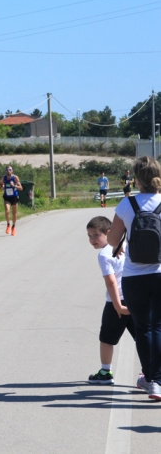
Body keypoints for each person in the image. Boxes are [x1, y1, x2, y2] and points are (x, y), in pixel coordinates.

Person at [108, 156, 161, 400]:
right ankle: (159, 378)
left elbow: (110, 240)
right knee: (159, 326)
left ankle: (150, 380)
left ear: (136, 179)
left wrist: (124, 239)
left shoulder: (126, 204)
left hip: (134, 275)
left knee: (144, 328)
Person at [86, 216, 135, 385]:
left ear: (108, 233)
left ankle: (105, 371)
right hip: (135, 299)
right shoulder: (128, 246)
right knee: (144, 337)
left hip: (116, 302)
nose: (92, 240)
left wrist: (118, 307)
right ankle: (150, 373)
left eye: (96, 235)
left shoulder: (105, 254)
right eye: (89, 236)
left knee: (107, 338)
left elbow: (111, 281)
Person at [0, 166, 22, 236]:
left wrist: (14, 186)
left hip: (14, 197)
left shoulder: (15, 177)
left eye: (10, 170)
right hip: (7, 197)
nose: (8, 171)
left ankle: (13, 227)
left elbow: (21, 188)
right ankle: (8, 224)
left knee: (14, 213)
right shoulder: (4, 178)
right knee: (7, 211)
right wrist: (2, 187)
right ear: (6, 171)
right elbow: (0, 184)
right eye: (7, 170)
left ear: (12, 171)